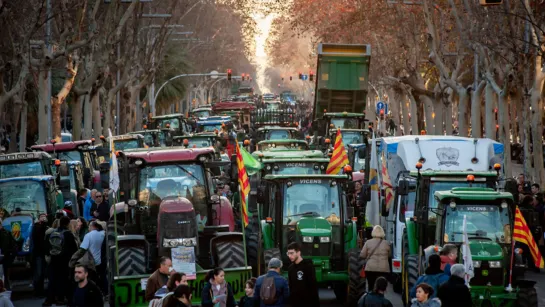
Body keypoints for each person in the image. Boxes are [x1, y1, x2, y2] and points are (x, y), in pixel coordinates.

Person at [43, 216, 78, 306]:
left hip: (53, 260)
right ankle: (62, 299)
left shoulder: (52, 233)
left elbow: (46, 247)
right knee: (64, 280)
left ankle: (49, 300)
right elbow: (74, 249)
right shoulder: (68, 234)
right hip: (65, 260)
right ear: (67, 223)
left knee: (52, 281)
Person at [286, 242, 319, 307]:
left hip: (307, 303)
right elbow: (291, 287)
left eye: (292, 253)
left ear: (298, 252)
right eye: (288, 253)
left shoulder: (308, 266)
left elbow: (313, 287)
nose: (289, 256)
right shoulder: (290, 268)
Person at [359, 225, 390, 291]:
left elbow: (362, 255)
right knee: (381, 288)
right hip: (383, 269)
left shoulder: (368, 242)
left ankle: (371, 299)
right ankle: (380, 299)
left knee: (371, 286)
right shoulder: (386, 243)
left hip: (370, 268)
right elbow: (389, 255)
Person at [31, 213, 49, 296]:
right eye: (42, 217)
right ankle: (37, 290)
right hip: (38, 253)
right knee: (39, 272)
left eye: (44, 217)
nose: (43, 218)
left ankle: (41, 290)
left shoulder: (46, 227)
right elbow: (37, 236)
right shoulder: (36, 227)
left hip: (44, 252)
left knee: (43, 272)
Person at [0, 219, 16, 290]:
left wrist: (10, 257)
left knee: (5, 277)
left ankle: (6, 288)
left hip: (5, 259)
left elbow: (14, 247)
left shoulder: (7, 233)